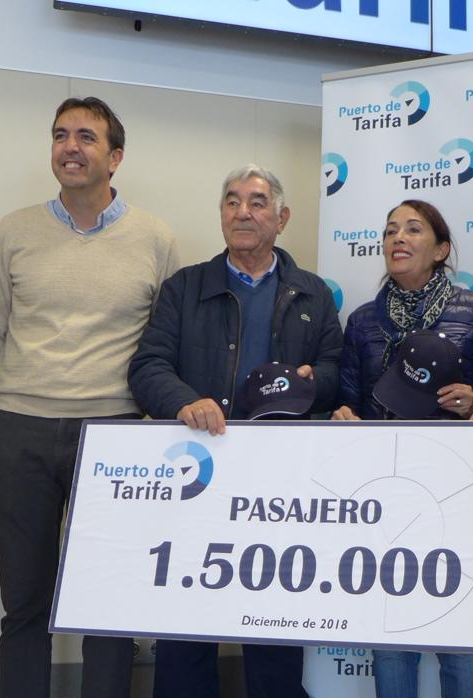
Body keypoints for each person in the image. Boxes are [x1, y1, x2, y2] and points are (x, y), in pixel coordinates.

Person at [0, 96, 180, 698]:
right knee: (23, 601)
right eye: (61, 135)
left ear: (114, 157)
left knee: (109, 601)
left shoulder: (155, 237)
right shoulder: (14, 230)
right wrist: (35, 386)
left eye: (87, 137)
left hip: (114, 434)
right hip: (20, 428)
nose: (71, 146)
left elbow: (162, 342)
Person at [128, 164, 342, 698]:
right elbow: (147, 367)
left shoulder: (313, 293)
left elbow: (340, 376)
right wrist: (185, 403)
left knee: (272, 629)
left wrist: (314, 387)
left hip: (281, 484)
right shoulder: (185, 287)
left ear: (282, 217)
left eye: (257, 202)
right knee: (184, 628)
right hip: (199, 474)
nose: (242, 212)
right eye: (231, 201)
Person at [330, 199, 473, 697]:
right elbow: (347, 401)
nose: (398, 239)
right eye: (390, 231)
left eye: (413, 229)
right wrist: (342, 416)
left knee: (458, 640)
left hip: (457, 496)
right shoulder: (363, 321)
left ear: (441, 249)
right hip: (383, 497)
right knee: (390, 639)